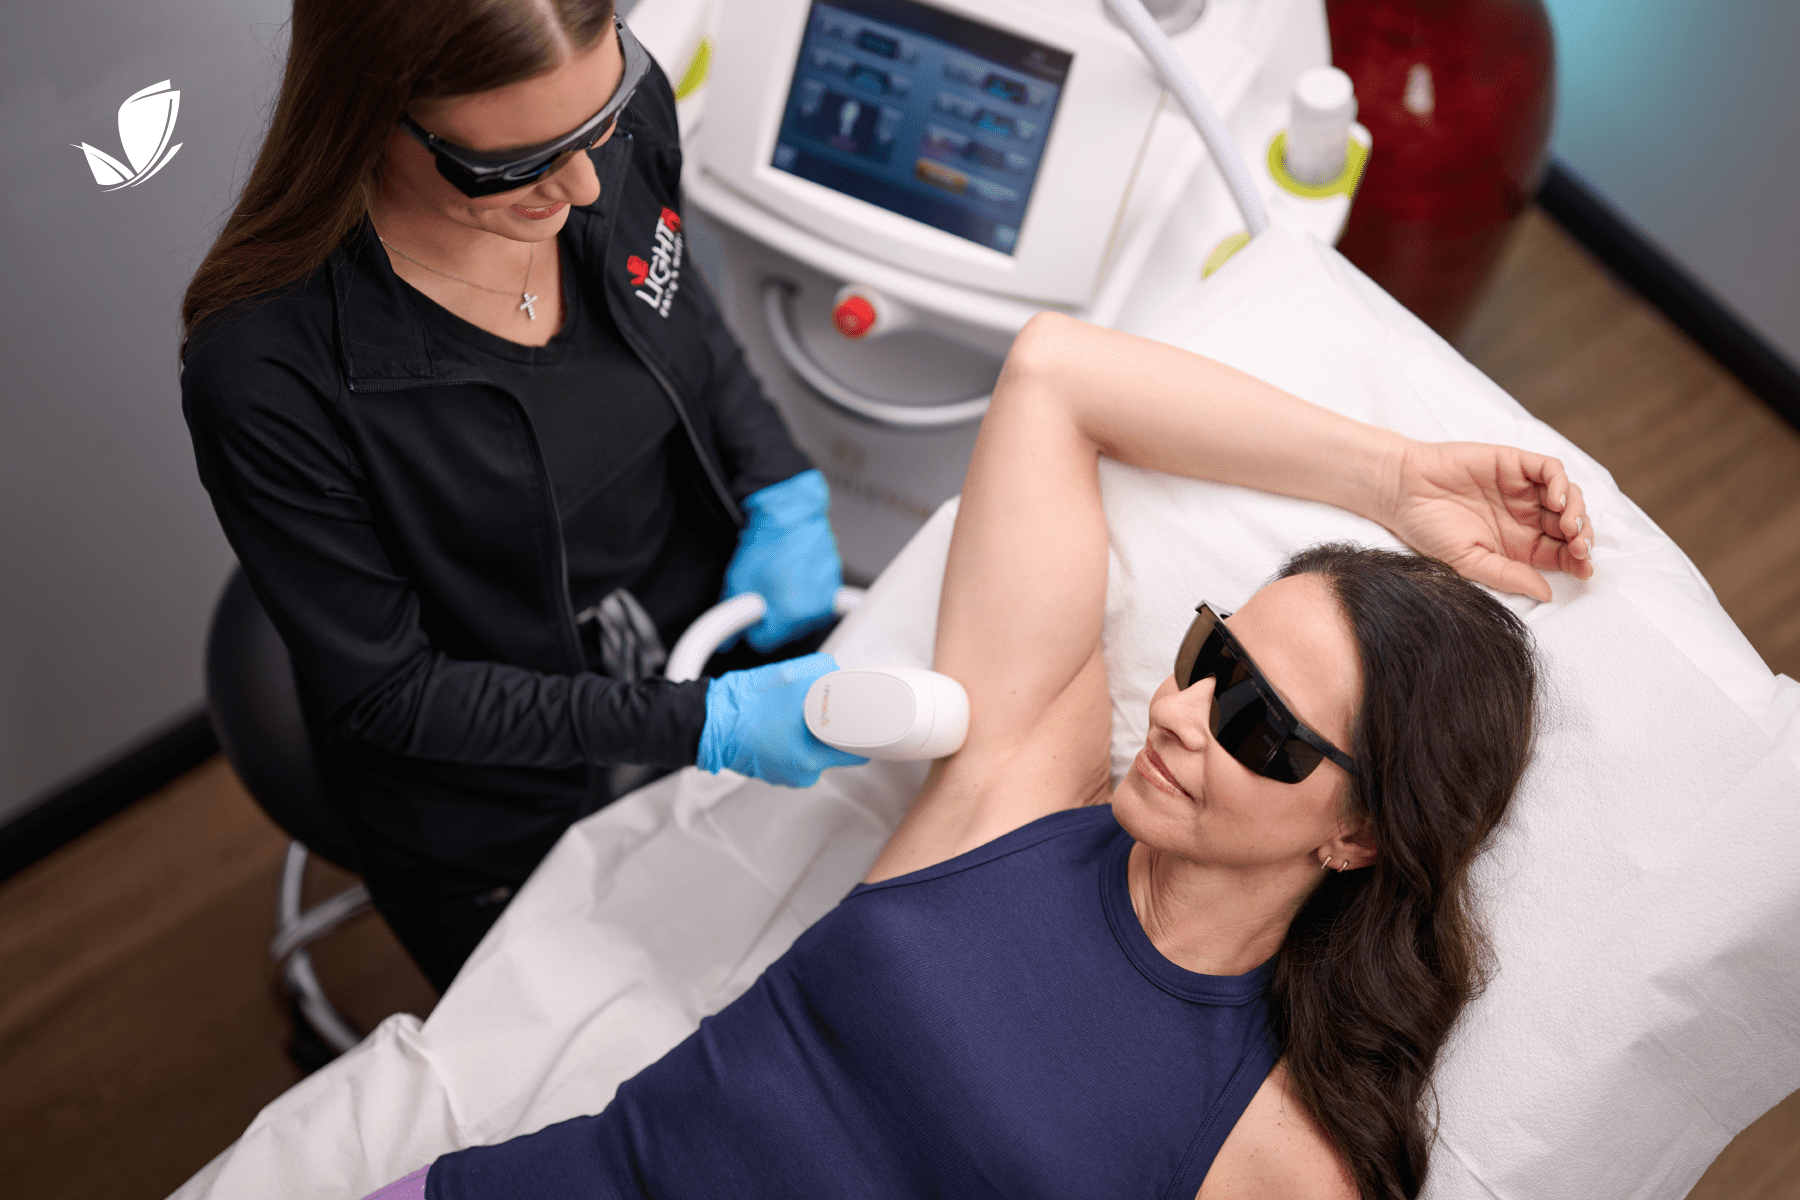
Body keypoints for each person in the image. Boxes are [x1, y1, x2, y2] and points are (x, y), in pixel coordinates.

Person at [356, 309, 1595, 1199]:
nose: (1177, 715)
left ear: (1359, 833)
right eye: (1212, 658)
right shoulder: (1021, 796)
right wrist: (1391, 478)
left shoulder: (1272, 1151)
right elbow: (1056, 377)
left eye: (1260, 728)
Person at [178, 0, 864, 994]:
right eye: (513, 166)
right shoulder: (268, 369)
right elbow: (393, 695)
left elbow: (682, 312)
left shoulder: (607, 128)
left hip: (706, 638)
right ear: (369, 112)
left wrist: (778, 476)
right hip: (497, 790)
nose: (588, 184)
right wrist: (695, 724)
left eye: (601, 122)